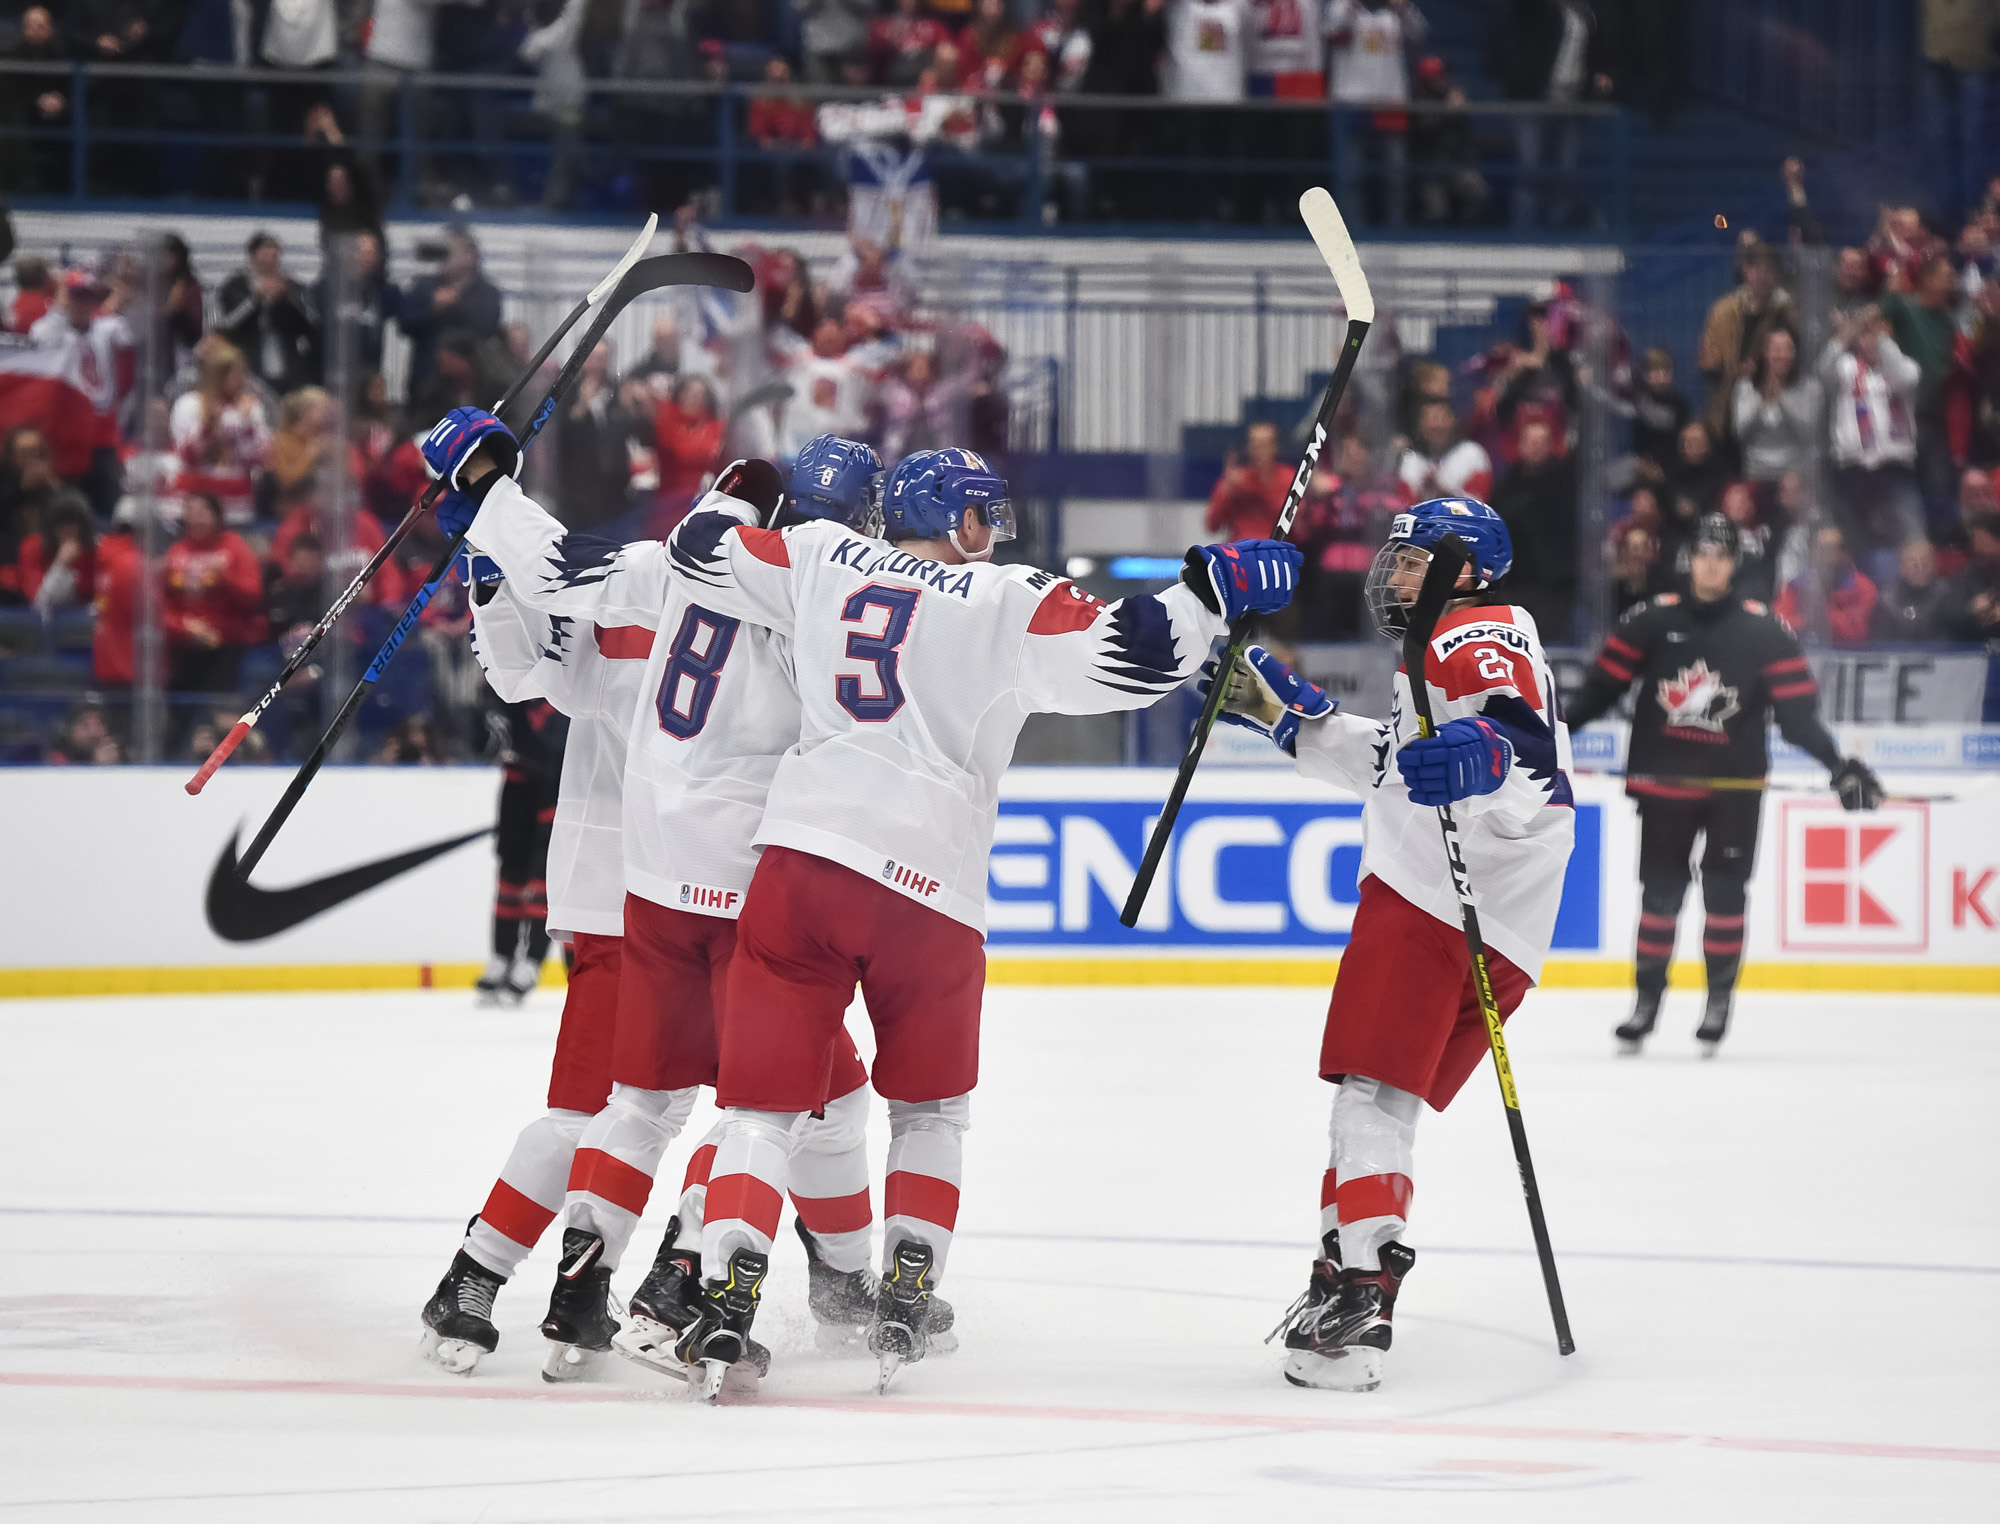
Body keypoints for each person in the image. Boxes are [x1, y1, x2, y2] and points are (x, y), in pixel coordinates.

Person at [443, 416, 1299, 1396]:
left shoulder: (808, 559)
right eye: (981, 513)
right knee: (921, 1108)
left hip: (776, 870)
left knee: (750, 1108)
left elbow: (631, 566)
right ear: (952, 519)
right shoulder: (1005, 597)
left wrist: (488, 503)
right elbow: (1133, 657)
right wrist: (1206, 593)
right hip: (923, 890)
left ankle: (715, 1287)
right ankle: (892, 1287)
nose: (991, 530)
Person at [1211, 497, 1571, 1392]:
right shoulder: (1445, 647)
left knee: (1367, 1095)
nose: (1395, 575)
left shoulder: (1477, 630)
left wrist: (1485, 756)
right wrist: (1290, 719)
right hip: (1502, 920)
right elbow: (1402, 766)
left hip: (1437, 899)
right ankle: (1340, 1274)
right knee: (1383, 1102)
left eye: (1412, 561)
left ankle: (1366, 1293)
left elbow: (1526, 753)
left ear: (1466, 568)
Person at [1565, 513, 1883, 1057]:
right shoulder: (1650, 620)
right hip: (1664, 787)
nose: (1712, 563)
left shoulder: (1763, 630)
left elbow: (1797, 717)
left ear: (1734, 562)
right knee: (1660, 897)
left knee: (1725, 896)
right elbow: (1598, 690)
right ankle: (1646, 1004)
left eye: (1723, 554)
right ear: (1691, 558)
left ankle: (1717, 1004)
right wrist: (1551, 738)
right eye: (1704, 553)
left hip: (1734, 790)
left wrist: (1839, 765)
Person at [163, 491, 265, 695]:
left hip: (226, 643)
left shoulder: (234, 547)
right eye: (189, 512)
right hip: (185, 644)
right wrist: (184, 627)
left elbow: (254, 595)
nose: (195, 518)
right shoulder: (176, 551)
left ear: (216, 516)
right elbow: (161, 605)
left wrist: (225, 580)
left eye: (202, 511)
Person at [1697, 244, 1795, 445]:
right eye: (1756, 269)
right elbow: (1707, 362)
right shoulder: (1722, 312)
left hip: (1769, 413)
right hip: (1724, 410)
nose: (1762, 276)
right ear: (1746, 271)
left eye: (1768, 270)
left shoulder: (1785, 312)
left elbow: (1796, 356)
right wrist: (1723, 367)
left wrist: (1758, 370)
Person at [170, 341, 272, 527]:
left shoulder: (251, 407)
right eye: (236, 372)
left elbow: (260, 458)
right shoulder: (188, 405)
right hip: (195, 504)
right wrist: (209, 429)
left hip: (237, 506)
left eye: (243, 371)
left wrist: (247, 426)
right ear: (218, 374)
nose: (242, 378)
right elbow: (186, 457)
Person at [215, 233, 322, 397]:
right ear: (253, 256)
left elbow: (310, 324)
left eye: (274, 255)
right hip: (250, 367)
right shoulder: (235, 286)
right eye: (265, 255)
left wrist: (288, 299)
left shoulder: (292, 286)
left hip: (287, 369)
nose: (270, 260)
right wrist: (255, 299)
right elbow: (229, 325)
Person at [1731, 327, 1823, 487]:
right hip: (1756, 472)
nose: (1782, 356)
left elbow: (1809, 433)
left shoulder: (1809, 387)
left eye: (1788, 349)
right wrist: (1761, 403)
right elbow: (1740, 432)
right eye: (1777, 350)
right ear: (1766, 353)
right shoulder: (1746, 386)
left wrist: (1782, 402)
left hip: (1794, 476)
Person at [1775, 524, 1878, 645]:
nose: (1824, 556)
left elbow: (1858, 633)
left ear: (1845, 555)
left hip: (1850, 657)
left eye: (1831, 550)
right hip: (1804, 654)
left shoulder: (1864, 587)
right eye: (1819, 549)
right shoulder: (1795, 586)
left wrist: (1825, 616)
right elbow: (1781, 623)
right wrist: (1806, 622)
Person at [1206, 419, 1294, 541]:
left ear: (1274, 447)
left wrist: (1259, 492)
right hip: (1241, 549)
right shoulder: (1236, 480)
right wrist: (1226, 492)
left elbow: (1301, 528)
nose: (1259, 452)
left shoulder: (1289, 479)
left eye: (1264, 445)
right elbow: (1212, 525)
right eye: (1255, 445)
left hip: (1278, 548)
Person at [1397, 398, 1493, 504]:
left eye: (1441, 418)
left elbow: (1479, 505)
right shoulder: (1411, 459)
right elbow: (1402, 506)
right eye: (1431, 420)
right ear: (1421, 426)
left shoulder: (1472, 454)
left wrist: (1444, 493)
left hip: (1458, 520)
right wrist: (1422, 492)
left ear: (1452, 420)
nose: (1437, 426)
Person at [1873, 537, 1948, 642]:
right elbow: (1881, 643)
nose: (1919, 566)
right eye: (1913, 562)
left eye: (1925, 561)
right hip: (1896, 655)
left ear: (1934, 565)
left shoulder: (1946, 595)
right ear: (1901, 567)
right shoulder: (1886, 600)